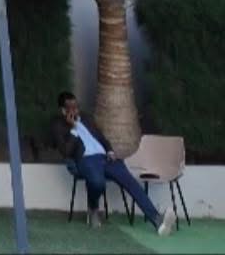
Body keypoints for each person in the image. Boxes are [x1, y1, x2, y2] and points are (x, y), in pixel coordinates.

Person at [50, 92, 175, 235]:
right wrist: (74, 129)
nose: (76, 111)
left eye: (77, 107)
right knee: (98, 183)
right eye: (71, 108)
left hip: (105, 158)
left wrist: (109, 150)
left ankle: (158, 221)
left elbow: (102, 138)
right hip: (86, 160)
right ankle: (93, 209)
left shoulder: (86, 118)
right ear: (63, 110)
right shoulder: (58, 125)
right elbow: (66, 151)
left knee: (130, 181)